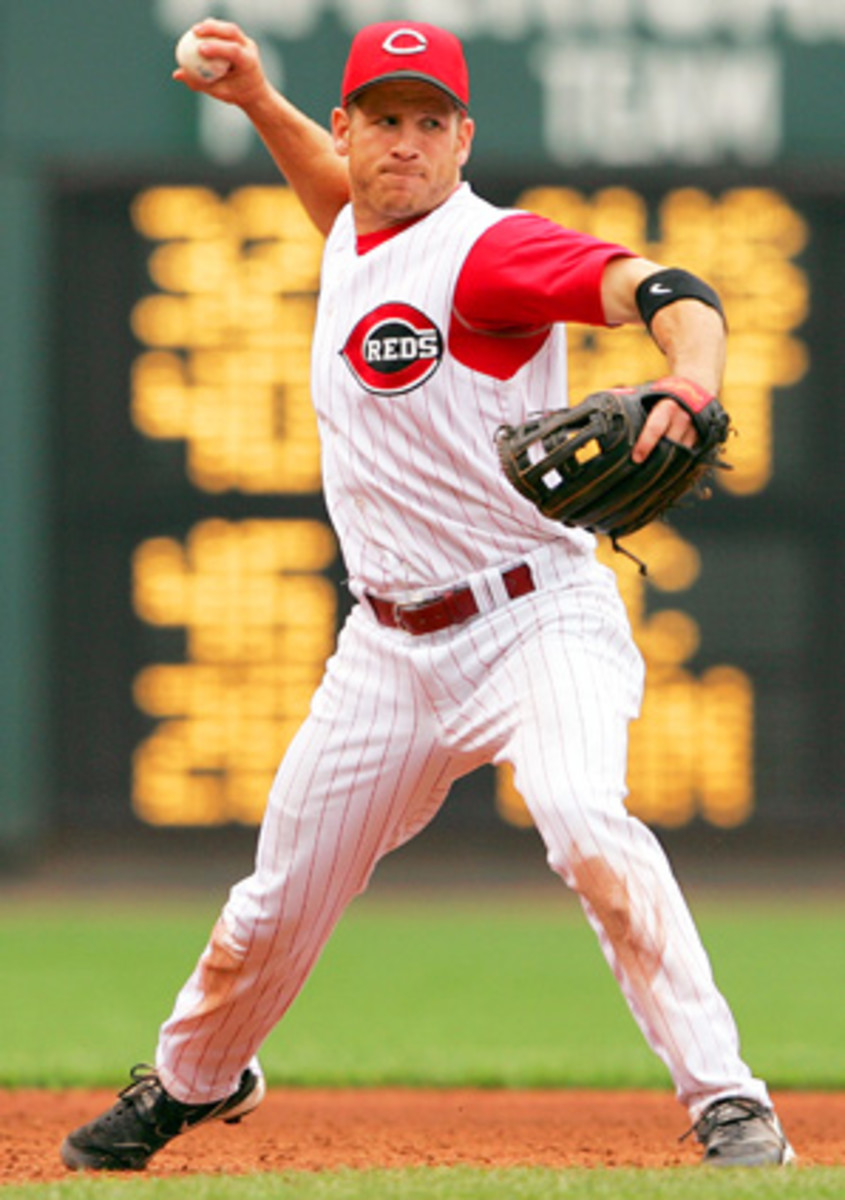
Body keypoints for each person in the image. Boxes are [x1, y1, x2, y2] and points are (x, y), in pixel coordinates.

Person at [61, 19, 793, 1171]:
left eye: (428, 121)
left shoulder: (490, 251)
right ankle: (196, 1080)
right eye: (382, 119)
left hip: (533, 619)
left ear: (462, 139)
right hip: (387, 651)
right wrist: (255, 100)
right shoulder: (354, 229)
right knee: (274, 905)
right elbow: (335, 199)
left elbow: (667, 288)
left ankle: (728, 1103)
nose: (404, 142)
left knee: (583, 820)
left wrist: (688, 380)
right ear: (346, 130)